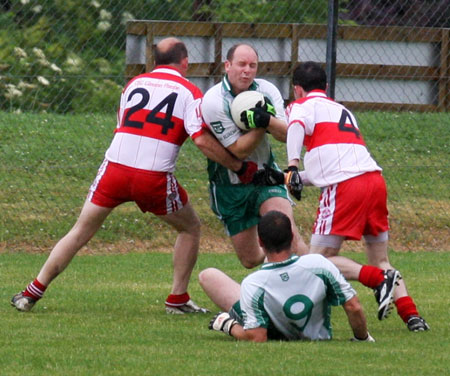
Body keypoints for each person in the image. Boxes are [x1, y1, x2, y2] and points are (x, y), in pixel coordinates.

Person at [10, 37, 255, 314]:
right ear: (185, 62)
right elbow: (200, 139)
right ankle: (177, 299)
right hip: (153, 176)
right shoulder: (189, 92)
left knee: (79, 232)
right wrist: (238, 166)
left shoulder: (133, 84)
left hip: (113, 168)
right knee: (190, 228)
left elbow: (123, 126)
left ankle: (31, 292)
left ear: (154, 62)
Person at [254, 61, 429, 332]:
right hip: (373, 181)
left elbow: (296, 125)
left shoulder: (301, 106)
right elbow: (331, 165)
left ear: (297, 89)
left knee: (319, 259)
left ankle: (378, 279)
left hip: (346, 187)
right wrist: (285, 177)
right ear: (325, 87)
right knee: (380, 257)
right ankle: (412, 316)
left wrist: (291, 164)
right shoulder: (340, 110)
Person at [201, 43, 308, 269]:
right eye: (241, 64)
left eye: (252, 65)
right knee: (251, 259)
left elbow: (286, 135)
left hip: (265, 175)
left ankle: (318, 285)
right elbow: (239, 150)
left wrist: (267, 118)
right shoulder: (213, 101)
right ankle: (272, 259)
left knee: (288, 233)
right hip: (229, 185)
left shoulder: (267, 90)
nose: (247, 70)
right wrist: (260, 124)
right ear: (227, 66)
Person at [200, 210, 374, 342]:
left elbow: (257, 336)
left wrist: (228, 325)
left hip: (269, 326)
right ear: (292, 238)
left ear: (260, 242)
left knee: (208, 276)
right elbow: (354, 307)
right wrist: (362, 338)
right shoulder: (319, 264)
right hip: (318, 336)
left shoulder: (253, 283)